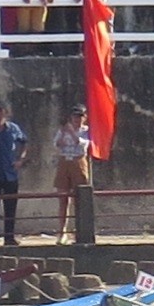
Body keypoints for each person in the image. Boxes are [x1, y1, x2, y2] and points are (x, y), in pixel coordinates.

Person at [0, 98, 27, 249]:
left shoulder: (13, 129)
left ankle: (9, 237)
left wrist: (20, 159)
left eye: (1, 110)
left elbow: (24, 143)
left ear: (6, 113)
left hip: (10, 174)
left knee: (10, 207)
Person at [53, 100, 98, 246]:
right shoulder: (63, 129)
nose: (77, 119)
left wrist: (72, 133)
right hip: (64, 162)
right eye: (74, 116)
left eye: (80, 116)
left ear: (84, 117)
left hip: (79, 163)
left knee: (82, 198)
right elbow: (57, 144)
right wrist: (64, 135)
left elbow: (82, 145)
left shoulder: (86, 131)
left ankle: (82, 231)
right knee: (63, 198)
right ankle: (62, 232)